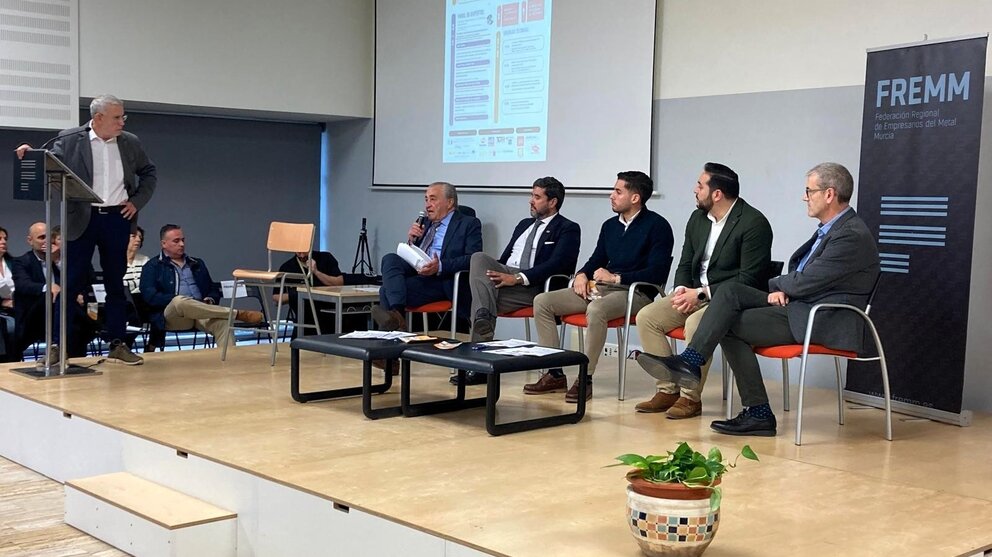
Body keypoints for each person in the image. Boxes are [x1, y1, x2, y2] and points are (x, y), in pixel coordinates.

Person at [640, 162, 880, 437]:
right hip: (801, 307)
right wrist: (785, 289)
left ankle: (746, 403)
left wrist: (780, 286)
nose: (805, 197)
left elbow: (807, 280)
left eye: (808, 191)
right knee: (728, 298)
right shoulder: (833, 229)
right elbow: (807, 278)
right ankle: (711, 376)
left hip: (822, 317)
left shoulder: (850, 235)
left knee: (727, 313)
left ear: (829, 194)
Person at [15, 94, 156, 367]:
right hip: (81, 217)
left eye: (123, 116)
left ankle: (117, 343)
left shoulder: (130, 142)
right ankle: (58, 346)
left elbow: (149, 172)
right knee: (70, 284)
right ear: (98, 118)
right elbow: (50, 162)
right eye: (117, 117)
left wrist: (136, 202)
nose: (122, 122)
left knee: (116, 284)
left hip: (116, 217)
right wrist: (29, 152)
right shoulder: (70, 139)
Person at [633, 163, 773, 419]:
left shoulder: (754, 223)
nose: (694, 190)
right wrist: (682, 289)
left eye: (700, 185)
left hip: (726, 299)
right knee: (647, 317)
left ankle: (690, 398)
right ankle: (668, 390)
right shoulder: (697, 219)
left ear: (717, 193)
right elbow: (686, 261)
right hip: (694, 292)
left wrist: (702, 294)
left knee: (696, 324)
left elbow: (749, 279)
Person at [528, 171, 675, 403]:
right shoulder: (610, 226)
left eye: (618, 191)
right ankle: (554, 372)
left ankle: (585, 378)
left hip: (637, 292)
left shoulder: (658, 226)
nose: (611, 196)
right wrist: (581, 275)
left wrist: (617, 278)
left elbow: (657, 272)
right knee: (543, 302)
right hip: (603, 289)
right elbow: (597, 258)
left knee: (596, 310)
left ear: (635, 198)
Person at [456, 177, 581, 385]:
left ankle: (478, 365)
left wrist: (517, 278)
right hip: (506, 278)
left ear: (553, 202)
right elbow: (503, 261)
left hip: (534, 286)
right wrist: (499, 277)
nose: (531, 201)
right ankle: (483, 320)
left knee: (480, 299)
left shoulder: (567, 228)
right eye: (531, 195)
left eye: (537, 197)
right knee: (478, 258)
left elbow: (559, 265)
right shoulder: (524, 224)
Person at [372, 182, 483, 331]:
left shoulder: (468, 224)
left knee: (385, 291)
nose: (428, 205)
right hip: (418, 272)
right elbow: (412, 255)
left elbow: (473, 259)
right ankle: (397, 318)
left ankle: (394, 327)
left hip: (442, 279)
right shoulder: (424, 223)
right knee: (390, 258)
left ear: (450, 202)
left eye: (433, 199)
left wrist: (440, 266)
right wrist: (411, 241)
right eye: (426, 199)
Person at [139, 224, 264, 353]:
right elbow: (150, 297)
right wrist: (179, 299)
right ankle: (236, 313)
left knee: (223, 324)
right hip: (174, 316)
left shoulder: (197, 263)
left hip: (201, 313)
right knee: (179, 301)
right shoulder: (152, 266)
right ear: (163, 244)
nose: (181, 244)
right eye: (176, 241)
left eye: (183, 240)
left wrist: (210, 299)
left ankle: (230, 364)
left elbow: (212, 288)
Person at [274, 250, 344, 335]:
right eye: (298, 253)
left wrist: (316, 272)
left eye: (304, 252)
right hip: (304, 313)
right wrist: (300, 293)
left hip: (328, 310)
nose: (302, 255)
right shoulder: (287, 267)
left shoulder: (326, 258)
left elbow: (339, 282)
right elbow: (276, 297)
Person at [0, 227, 15, 362]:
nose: (3, 242)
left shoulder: (13, 263)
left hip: (16, 307)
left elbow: (22, 286)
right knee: (7, 327)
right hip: (2, 310)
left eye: (5, 239)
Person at [123, 226, 149, 295]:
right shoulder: (115, 261)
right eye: (133, 236)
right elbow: (119, 286)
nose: (138, 240)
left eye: (140, 237)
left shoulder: (145, 260)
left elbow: (149, 283)